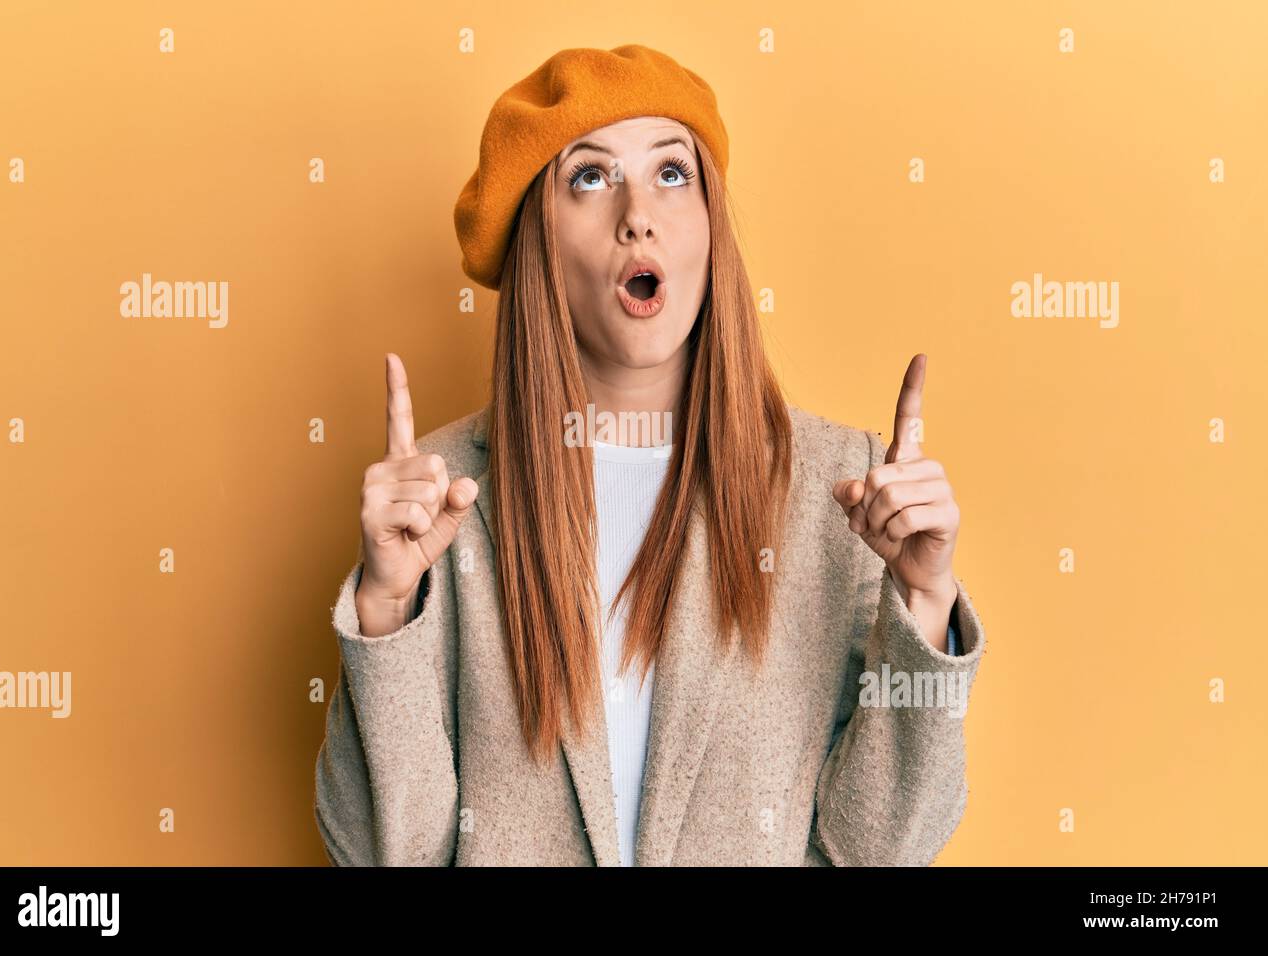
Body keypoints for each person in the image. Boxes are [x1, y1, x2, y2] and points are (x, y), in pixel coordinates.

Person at [314, 44, 986, 867]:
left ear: (708, 223)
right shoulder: (444, 500)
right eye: (589, 179)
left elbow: (883, 848)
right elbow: (383, 853)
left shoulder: (839, 487)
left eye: (672, 174)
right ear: (538, 244)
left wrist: (921, 600)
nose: (639, 212)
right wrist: (386, 608)